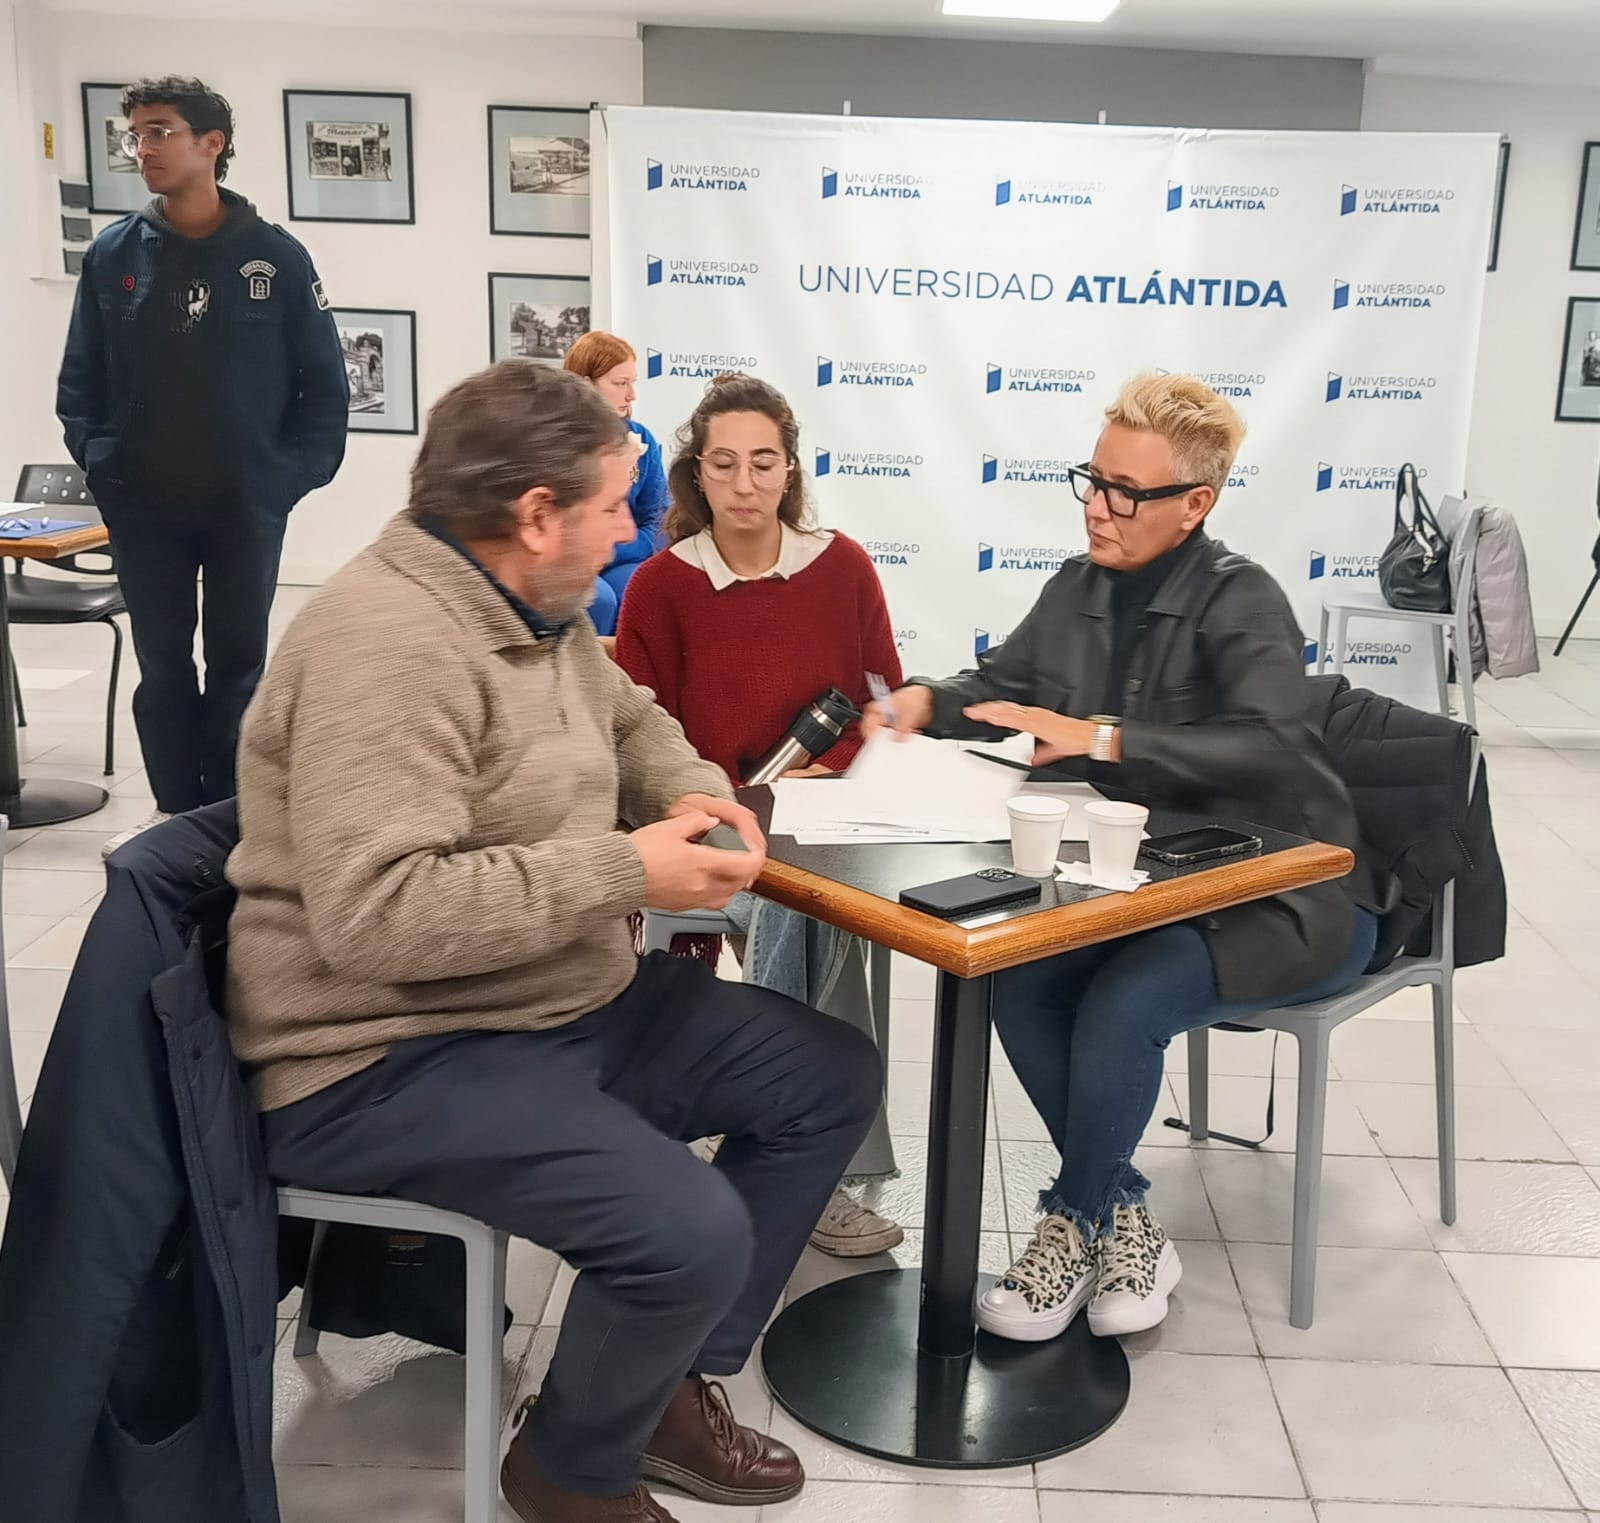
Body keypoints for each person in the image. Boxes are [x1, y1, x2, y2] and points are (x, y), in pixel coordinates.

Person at [227, 360, 880, 1523]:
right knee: (685, 1228)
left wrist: (699, 792)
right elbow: (380, 913)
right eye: (617, 503)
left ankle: (663, 1391)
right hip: (384, 1051)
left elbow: (633, 719)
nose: (638, 526)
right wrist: (632, 866)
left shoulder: (532, 605)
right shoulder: (384, 642)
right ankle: (568, 1473)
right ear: (537, 515)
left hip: (545, 997)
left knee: (825, 1073)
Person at [865, 372, 1377, 1344]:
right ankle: (1127, 1212)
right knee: (1012, 980)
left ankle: (1071, 1219)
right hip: (1150, 886)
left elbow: (1271, 743)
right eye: (1091, 480)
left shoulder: (1242, 599)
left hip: (1287, 893)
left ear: (1195, 504)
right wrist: (930, 697)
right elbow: (1007, 686)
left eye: (1124, 491)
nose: (1098, 506)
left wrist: (1101, 737)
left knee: (1122, 1004)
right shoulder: (1076, 585)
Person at [615, 373, 905, 1258]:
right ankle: (797, 1146)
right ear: (697, 474)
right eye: (725, 464)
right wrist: (710, 804)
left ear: (790, 470)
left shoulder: (842, 565)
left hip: (818, 810)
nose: (744, 484)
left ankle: (776, 1131)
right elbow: (636, 737)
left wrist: (835, 759)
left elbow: (879, 695)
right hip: (706, 820)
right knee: (801, 900)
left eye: (763, 463)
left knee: (819, 897)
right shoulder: (662, 587)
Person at [56, 75, 348, 855]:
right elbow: (79, 380)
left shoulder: (275, 259)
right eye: (136, 135)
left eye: (159, 132)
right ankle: (173, 817)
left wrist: (286, 479)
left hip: (243, 506)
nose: (141, 149)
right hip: (143, 505)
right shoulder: (115, 252)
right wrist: (101, 462)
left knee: (238, 669)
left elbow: (324, 391)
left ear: (210, 143)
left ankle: (228, 818)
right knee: (162, 671)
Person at [564, 332, 668, 635]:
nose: (632, 394)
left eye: (633, 382)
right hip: (572, 558)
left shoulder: (642, 438)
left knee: (645, 591)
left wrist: (618, 551)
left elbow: (656, 516)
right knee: (601, 600)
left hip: (626, 552)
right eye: (620, 384)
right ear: (585, 385)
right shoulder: (557, 443)